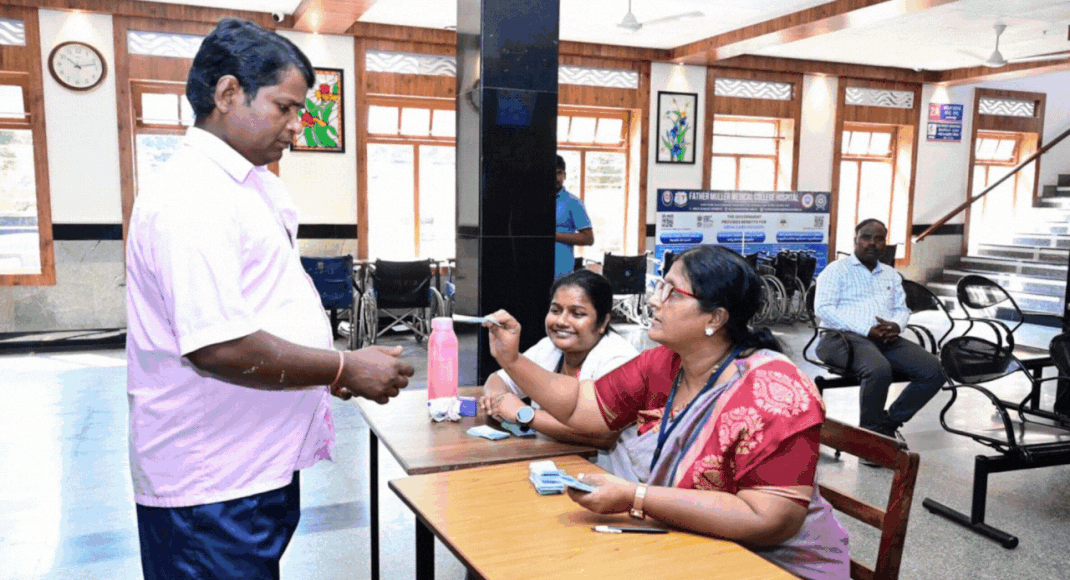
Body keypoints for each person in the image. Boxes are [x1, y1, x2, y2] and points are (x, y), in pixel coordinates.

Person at [125, 19, 414, 580]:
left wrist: (332, 371)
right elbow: (216, 347)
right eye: (285, 108)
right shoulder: (192, 194)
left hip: (254, 465)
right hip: (211, 484)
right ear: (228, 93)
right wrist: (342, 366)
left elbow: (259, 305)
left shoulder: (252, 184)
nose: (297, 127)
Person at [483, 245, 849, 580]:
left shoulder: (775, 391)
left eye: (673, 292)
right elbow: (582, 405)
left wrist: (636, 497)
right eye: (660, 286)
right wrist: (511, 360)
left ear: (716, 317)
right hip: (689, 542)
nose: (655, 302)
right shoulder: (665, 363)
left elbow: (770, 518)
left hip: (770, 564)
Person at [479, 270, 642, 477]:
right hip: (555, 464)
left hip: (609, 481)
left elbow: (603, 436)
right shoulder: (549, 347)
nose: (561, 321)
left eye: (577, 314)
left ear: (602, 323)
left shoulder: (618, 360)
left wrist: (525, 415)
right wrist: (497, 398)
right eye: (555, 310)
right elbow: (499, 378)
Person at [814, 218, 944, 450]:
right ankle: (870, 444)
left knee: (934, 370)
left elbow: (902, 309)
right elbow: (823, 309)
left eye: (879, 238)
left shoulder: (890, 274)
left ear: (885, 243)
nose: (872, 243)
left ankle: (886, 426)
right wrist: (866, 330)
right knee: (878, 368)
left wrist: (896, 325)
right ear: (855, 239)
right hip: (840, 338)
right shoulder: (836, 270)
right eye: (866, 237)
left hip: (885, 338)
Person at [554, 154, 594, 278]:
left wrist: (554, 235)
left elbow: (588, 238)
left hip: (561, 277)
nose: (555, 177)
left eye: (559, 173)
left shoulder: (573, 202)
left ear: (564, 175)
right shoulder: (530, 201)